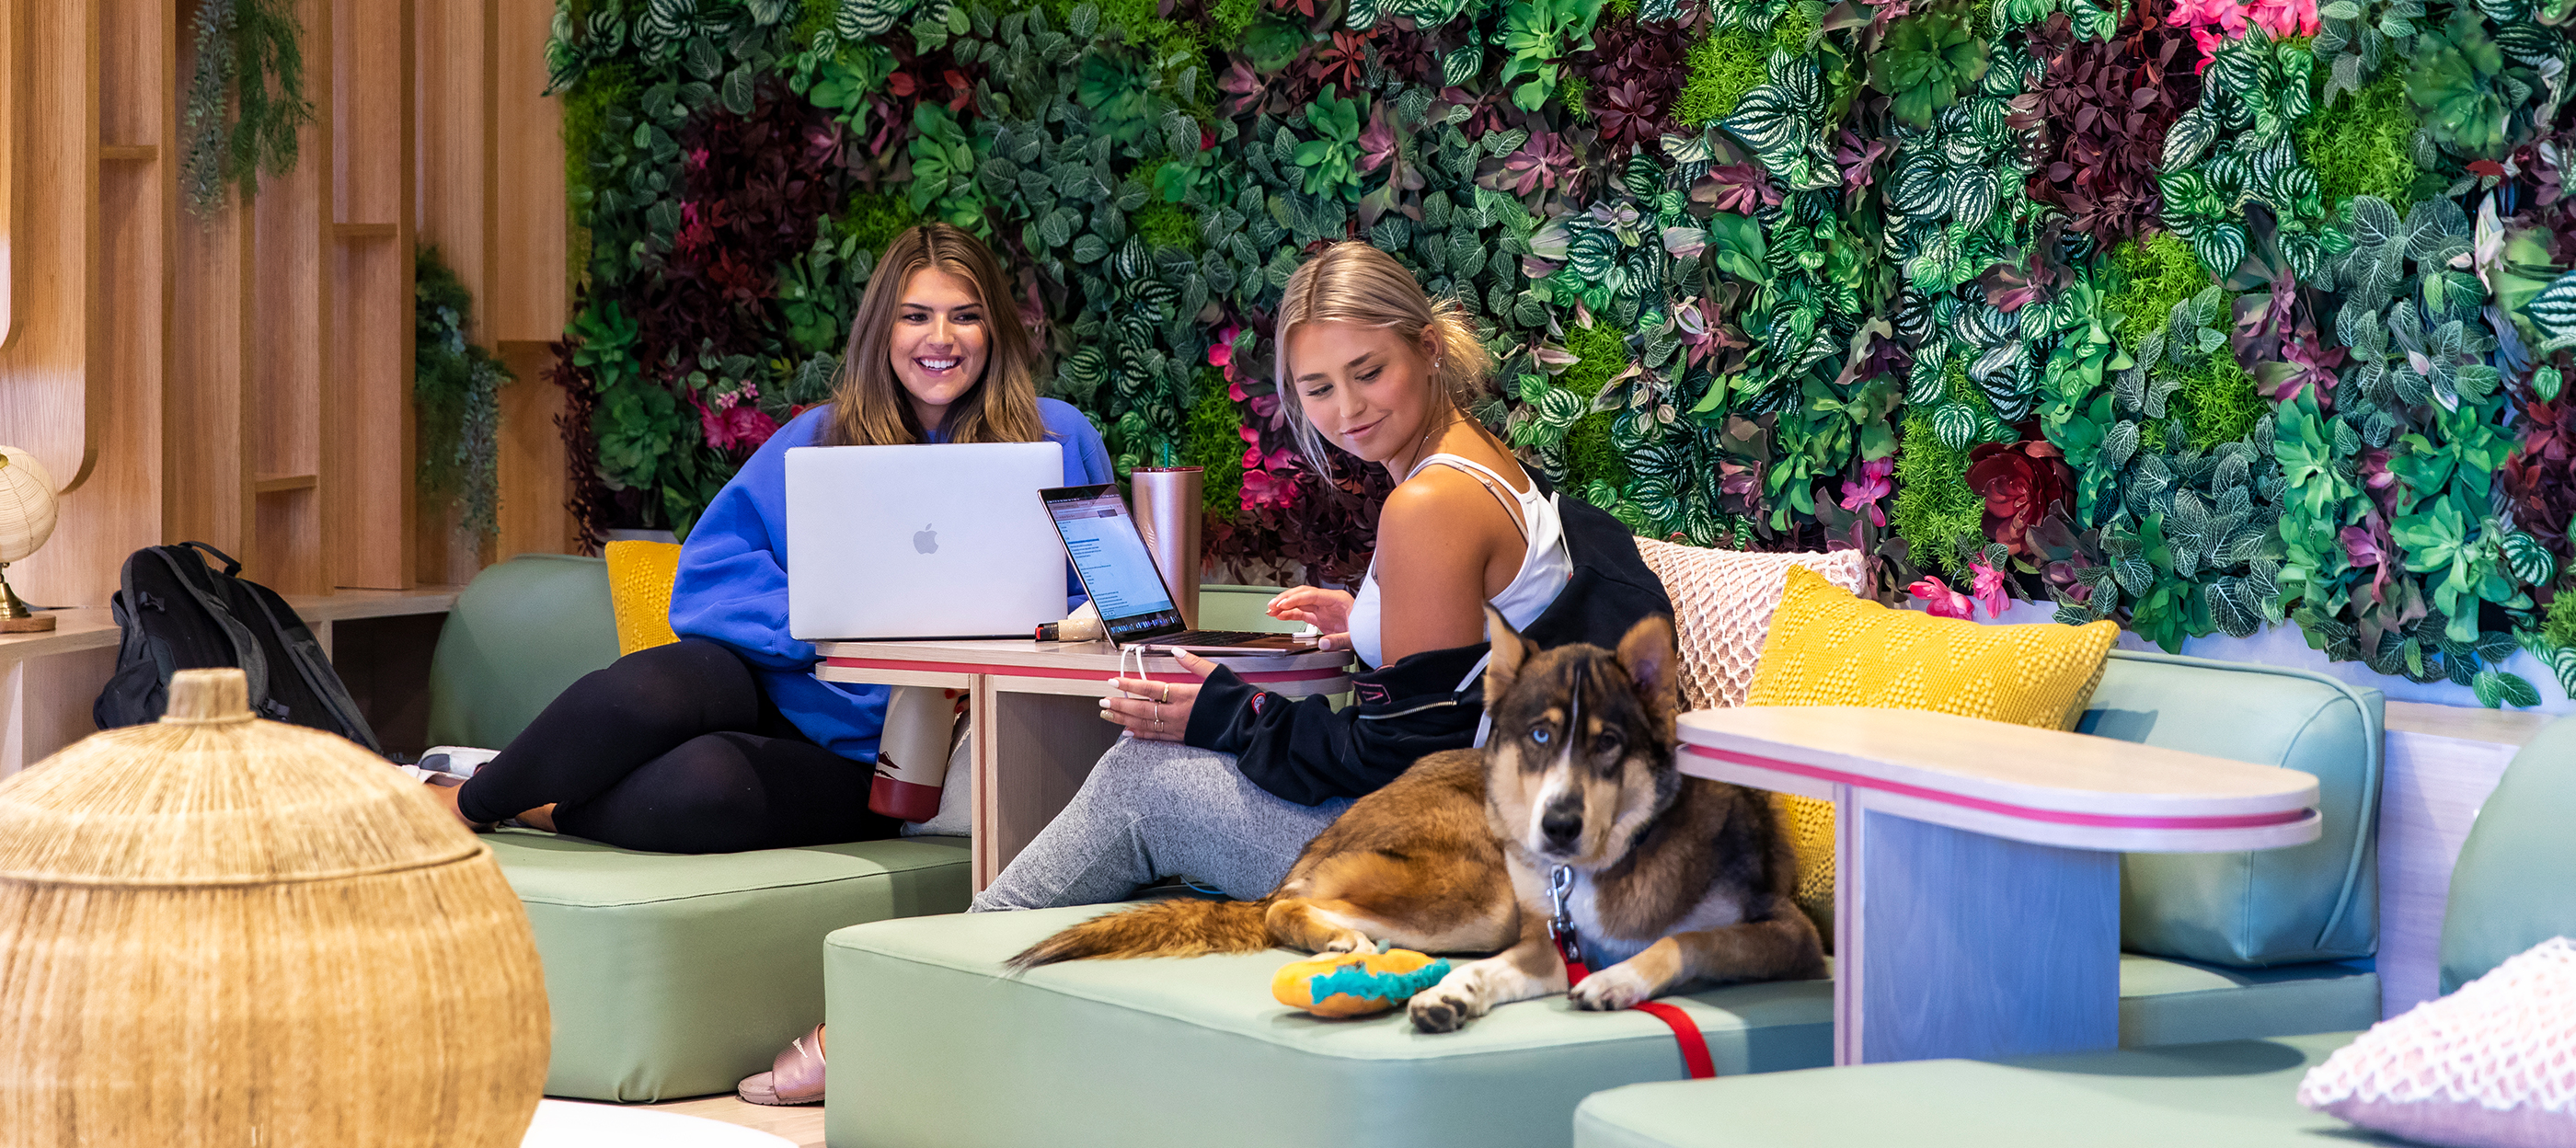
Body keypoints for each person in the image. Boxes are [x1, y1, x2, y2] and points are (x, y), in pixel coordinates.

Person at [969, 240, 1672, 913]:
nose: (1348, 409)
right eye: (1318, 389)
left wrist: (1227, 713)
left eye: (1369, 372)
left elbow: (1401, 763)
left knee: (1140, 776)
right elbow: (1474, 654)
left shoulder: (1429, 504)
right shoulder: (1481, 459)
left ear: (1427, 348)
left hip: (1464, 857)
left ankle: (960, 960)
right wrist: (1367, 616)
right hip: (1491, 823)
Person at [422, 223, 1111, 858]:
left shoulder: (1058, 437)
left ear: (994, 330)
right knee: (645, 690)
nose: (942, 337)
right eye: (916, 315)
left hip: (890, 758)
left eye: (966, 315)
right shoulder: (821, 437)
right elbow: (707, 578)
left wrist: (1015, 638)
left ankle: (542, 809)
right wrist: (821, 627)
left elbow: (1106, 600)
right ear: (882, 331)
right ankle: (466, 802)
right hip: (779, 687)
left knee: (705, 787)